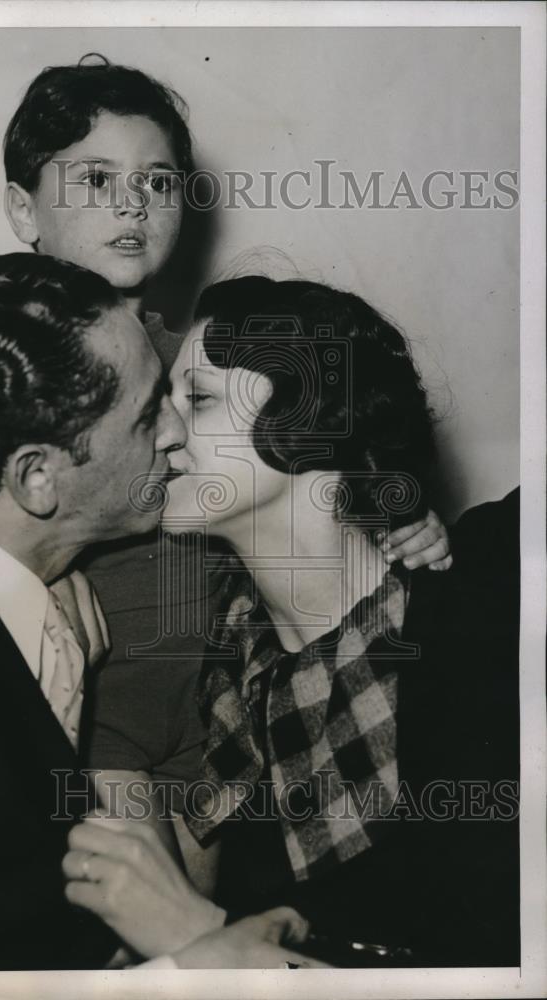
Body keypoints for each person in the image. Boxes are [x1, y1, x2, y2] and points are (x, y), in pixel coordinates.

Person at [0, 58, 452, 848]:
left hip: (218, 707)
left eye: (159, 182)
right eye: (97, 180)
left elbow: (312, 483)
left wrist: (399, 516)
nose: (132, 204)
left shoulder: (202, 363)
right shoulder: (10, 360)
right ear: (21, 206)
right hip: (95, 718)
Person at [0, 252, 336, 972]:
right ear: (38, 476)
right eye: (149, 414)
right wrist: (195, 968)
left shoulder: (34, 602)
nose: (178, 434)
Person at [62, 276, 520, 968]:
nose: (163, 431)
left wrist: (199, 935)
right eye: (164, 402)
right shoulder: (233, 679)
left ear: (313, 417)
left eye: (200, 399)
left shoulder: (482, 618)